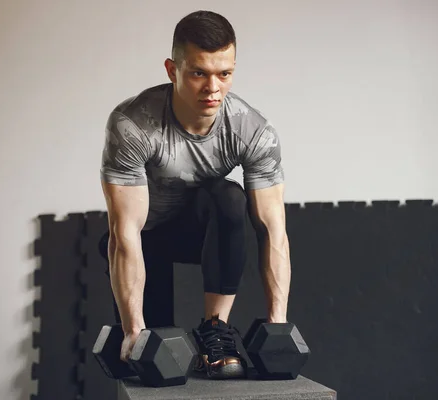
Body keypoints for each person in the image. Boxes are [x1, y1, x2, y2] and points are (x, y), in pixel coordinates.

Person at [98, 10, 291, 380]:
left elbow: (273, 230)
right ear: (172, 70)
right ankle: (142, 327)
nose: (213, 88)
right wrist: (132, 328)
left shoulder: (252, 131)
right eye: (199, 72)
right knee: (149, 363)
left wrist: (277, 325)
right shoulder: (134, 124)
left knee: (230, 197)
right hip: (146, 240)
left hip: (203, 236)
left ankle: (215, 329)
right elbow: (126, 233)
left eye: (225, 74)